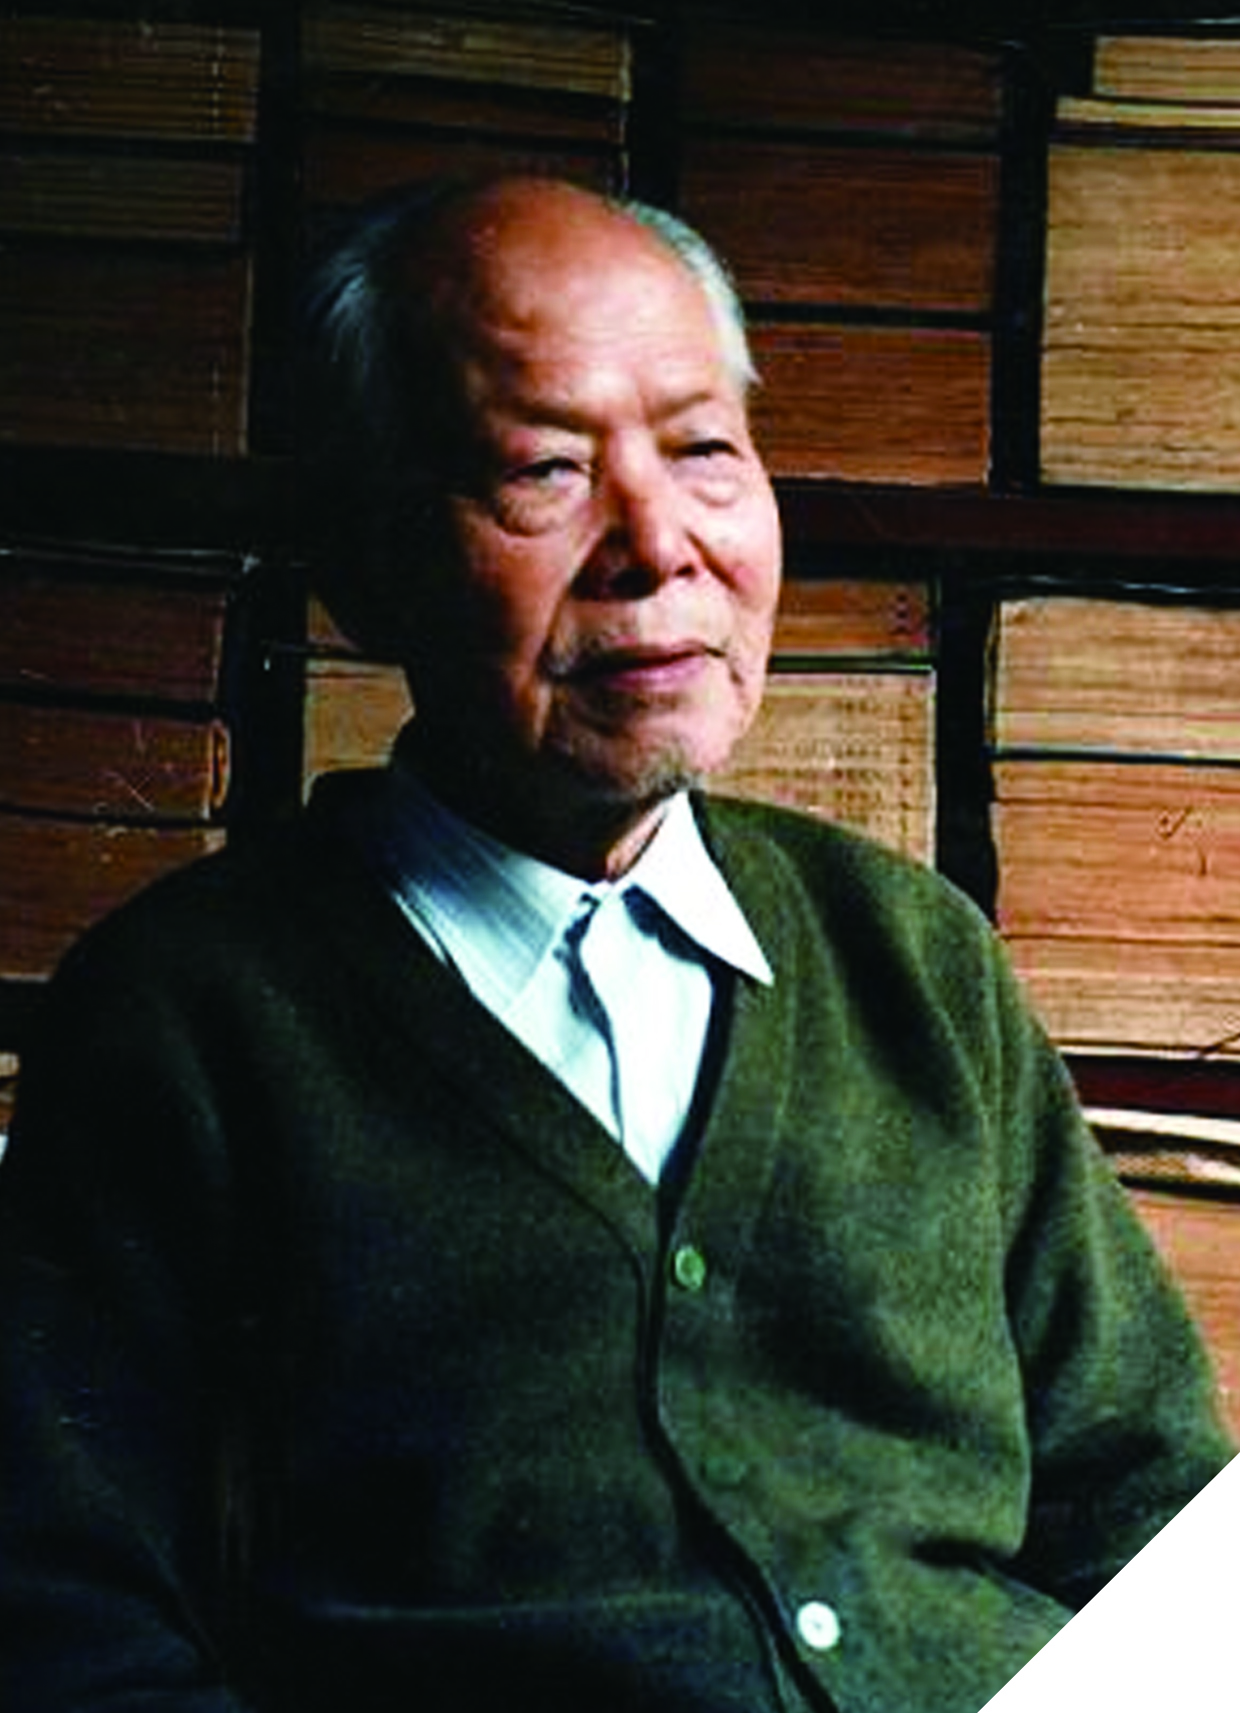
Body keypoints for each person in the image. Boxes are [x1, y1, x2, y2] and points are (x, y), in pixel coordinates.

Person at [0, 175, 1232, 1713]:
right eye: (545, 471)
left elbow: (1164, 1522)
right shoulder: (191, 1014)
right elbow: (62, 1622)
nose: (658, 546)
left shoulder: (913, 957)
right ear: (364, 566)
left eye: (705, 450)